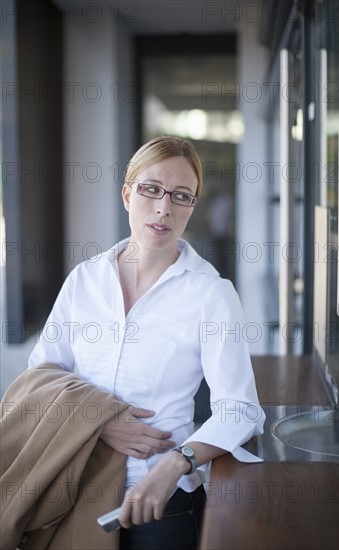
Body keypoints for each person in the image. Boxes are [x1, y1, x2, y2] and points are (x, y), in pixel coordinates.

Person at [28, 136, 265, 550]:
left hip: (163, 503)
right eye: (151, 189)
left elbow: (240, 409)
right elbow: (42, 374)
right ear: (127, 193)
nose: (163, 208)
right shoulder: (84, 279)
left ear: (193, 206)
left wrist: (178, 463)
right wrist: (102, 422)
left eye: (181, 196)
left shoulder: (211, 293)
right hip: (76, 488)